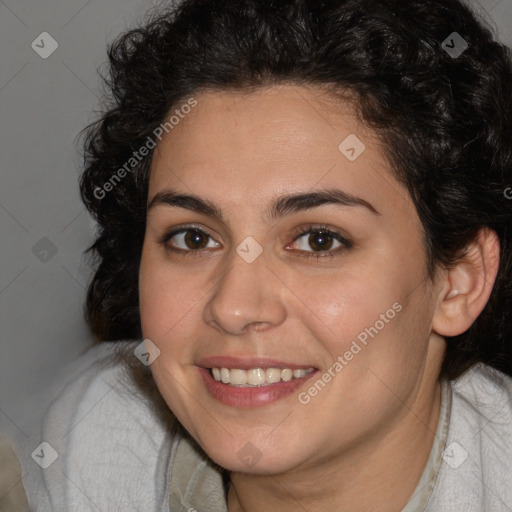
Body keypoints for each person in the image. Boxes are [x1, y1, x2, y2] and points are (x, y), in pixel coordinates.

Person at [18, 0, 512, 510]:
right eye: (193, 238)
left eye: (319, 240)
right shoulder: (89, 443)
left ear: (459, 281)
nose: (233, 307)